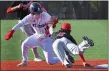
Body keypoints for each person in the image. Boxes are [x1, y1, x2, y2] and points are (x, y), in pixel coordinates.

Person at [5, 2, 59, 67]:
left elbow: (50, 28)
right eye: (37, 13)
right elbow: (20, 24)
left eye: (40, 12)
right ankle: (25, 61)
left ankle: (64, 58)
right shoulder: (29, 17)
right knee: (24, 44)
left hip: (46, 39)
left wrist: (52, 26)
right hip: (37, 36)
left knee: (50, 61)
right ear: (32, 13)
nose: (39, 14)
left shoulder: (45, 15)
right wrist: (12, 31)